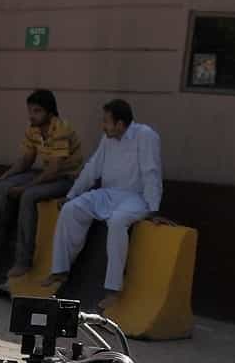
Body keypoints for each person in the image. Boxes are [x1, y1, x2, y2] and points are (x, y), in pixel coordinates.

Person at [0, 88, 82, 295]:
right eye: (30, 111)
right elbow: (25, 161)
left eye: (37, 111)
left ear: (49, 112)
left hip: (67, 180)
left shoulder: (62, 130)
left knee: (28, 196)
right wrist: (4, 178)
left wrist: (26, 187)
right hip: (45, 175)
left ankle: (24, 260)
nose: (32, 116)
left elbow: (54, 169)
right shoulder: (33, 129)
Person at [49, 99, 164, 300]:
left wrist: (153, 209)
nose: (103, 126)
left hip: (135, 198)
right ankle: (60, 270)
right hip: (108, 193)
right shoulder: (107, 138)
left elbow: (151, 172)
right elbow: (93, 167)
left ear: (120, 124)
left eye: (106, 122)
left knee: (118, 221)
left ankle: (113, 288)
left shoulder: (145, 136)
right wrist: (72, 195)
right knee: (71, 209)